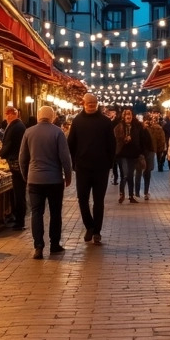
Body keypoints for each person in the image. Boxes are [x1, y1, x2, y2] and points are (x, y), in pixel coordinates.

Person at [19, 105, 73, 258]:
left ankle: (38, 246)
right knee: (55, 213)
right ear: (53, 117)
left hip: (34, 180)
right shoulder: (58, 132)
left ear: (38, 116)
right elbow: (65, 158)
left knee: (37, 213)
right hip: (54, 180)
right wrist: (68, 177)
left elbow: (22, 158)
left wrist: (26, 176)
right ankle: (54, 244)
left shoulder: (28, 132)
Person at [67, 93, 116, 244]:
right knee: (82, 198)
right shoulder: (77, 121)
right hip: (82, 167)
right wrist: (75, 162)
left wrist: (109, 163)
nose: (92, 106)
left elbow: (111, 144)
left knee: (98, 201)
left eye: (94, 103)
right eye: (89, 103)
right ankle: (89, 225)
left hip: (101, 168)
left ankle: (97, 232)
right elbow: (71, 144)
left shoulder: (105, 122)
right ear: (84, 103)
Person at [0, 105, 27, 230]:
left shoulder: (16, 127)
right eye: (7, 113)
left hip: (16, 163)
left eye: (11, 113)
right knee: (17, 191)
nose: (8, 116)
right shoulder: (17, 125)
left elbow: (9, 143)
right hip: (16, 162)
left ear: (16, 114)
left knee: (19, 192)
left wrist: (1, 154)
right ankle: (16, 216)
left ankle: (19, 220)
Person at [114, 109, 148, 204]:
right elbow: (116, 140)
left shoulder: (137, 127)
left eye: (130, 115)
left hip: (133, 154)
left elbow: (141, 140)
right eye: (126, 115)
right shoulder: (119, 127)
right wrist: (124, 139)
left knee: (130, 175)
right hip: (122, 154)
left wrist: (141, 152)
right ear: (123, 116)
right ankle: (121, 194)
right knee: (124, 175)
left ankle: (131, 196)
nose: (128, 117)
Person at [146, 116, 166, 184]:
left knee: (154, 156)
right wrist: (163, 145)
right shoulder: (160, 128)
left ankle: (157, 165)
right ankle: (160, 166)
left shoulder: (151, 129)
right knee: (159, 155)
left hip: (153, 145)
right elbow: (162, 137)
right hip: (159, 144)